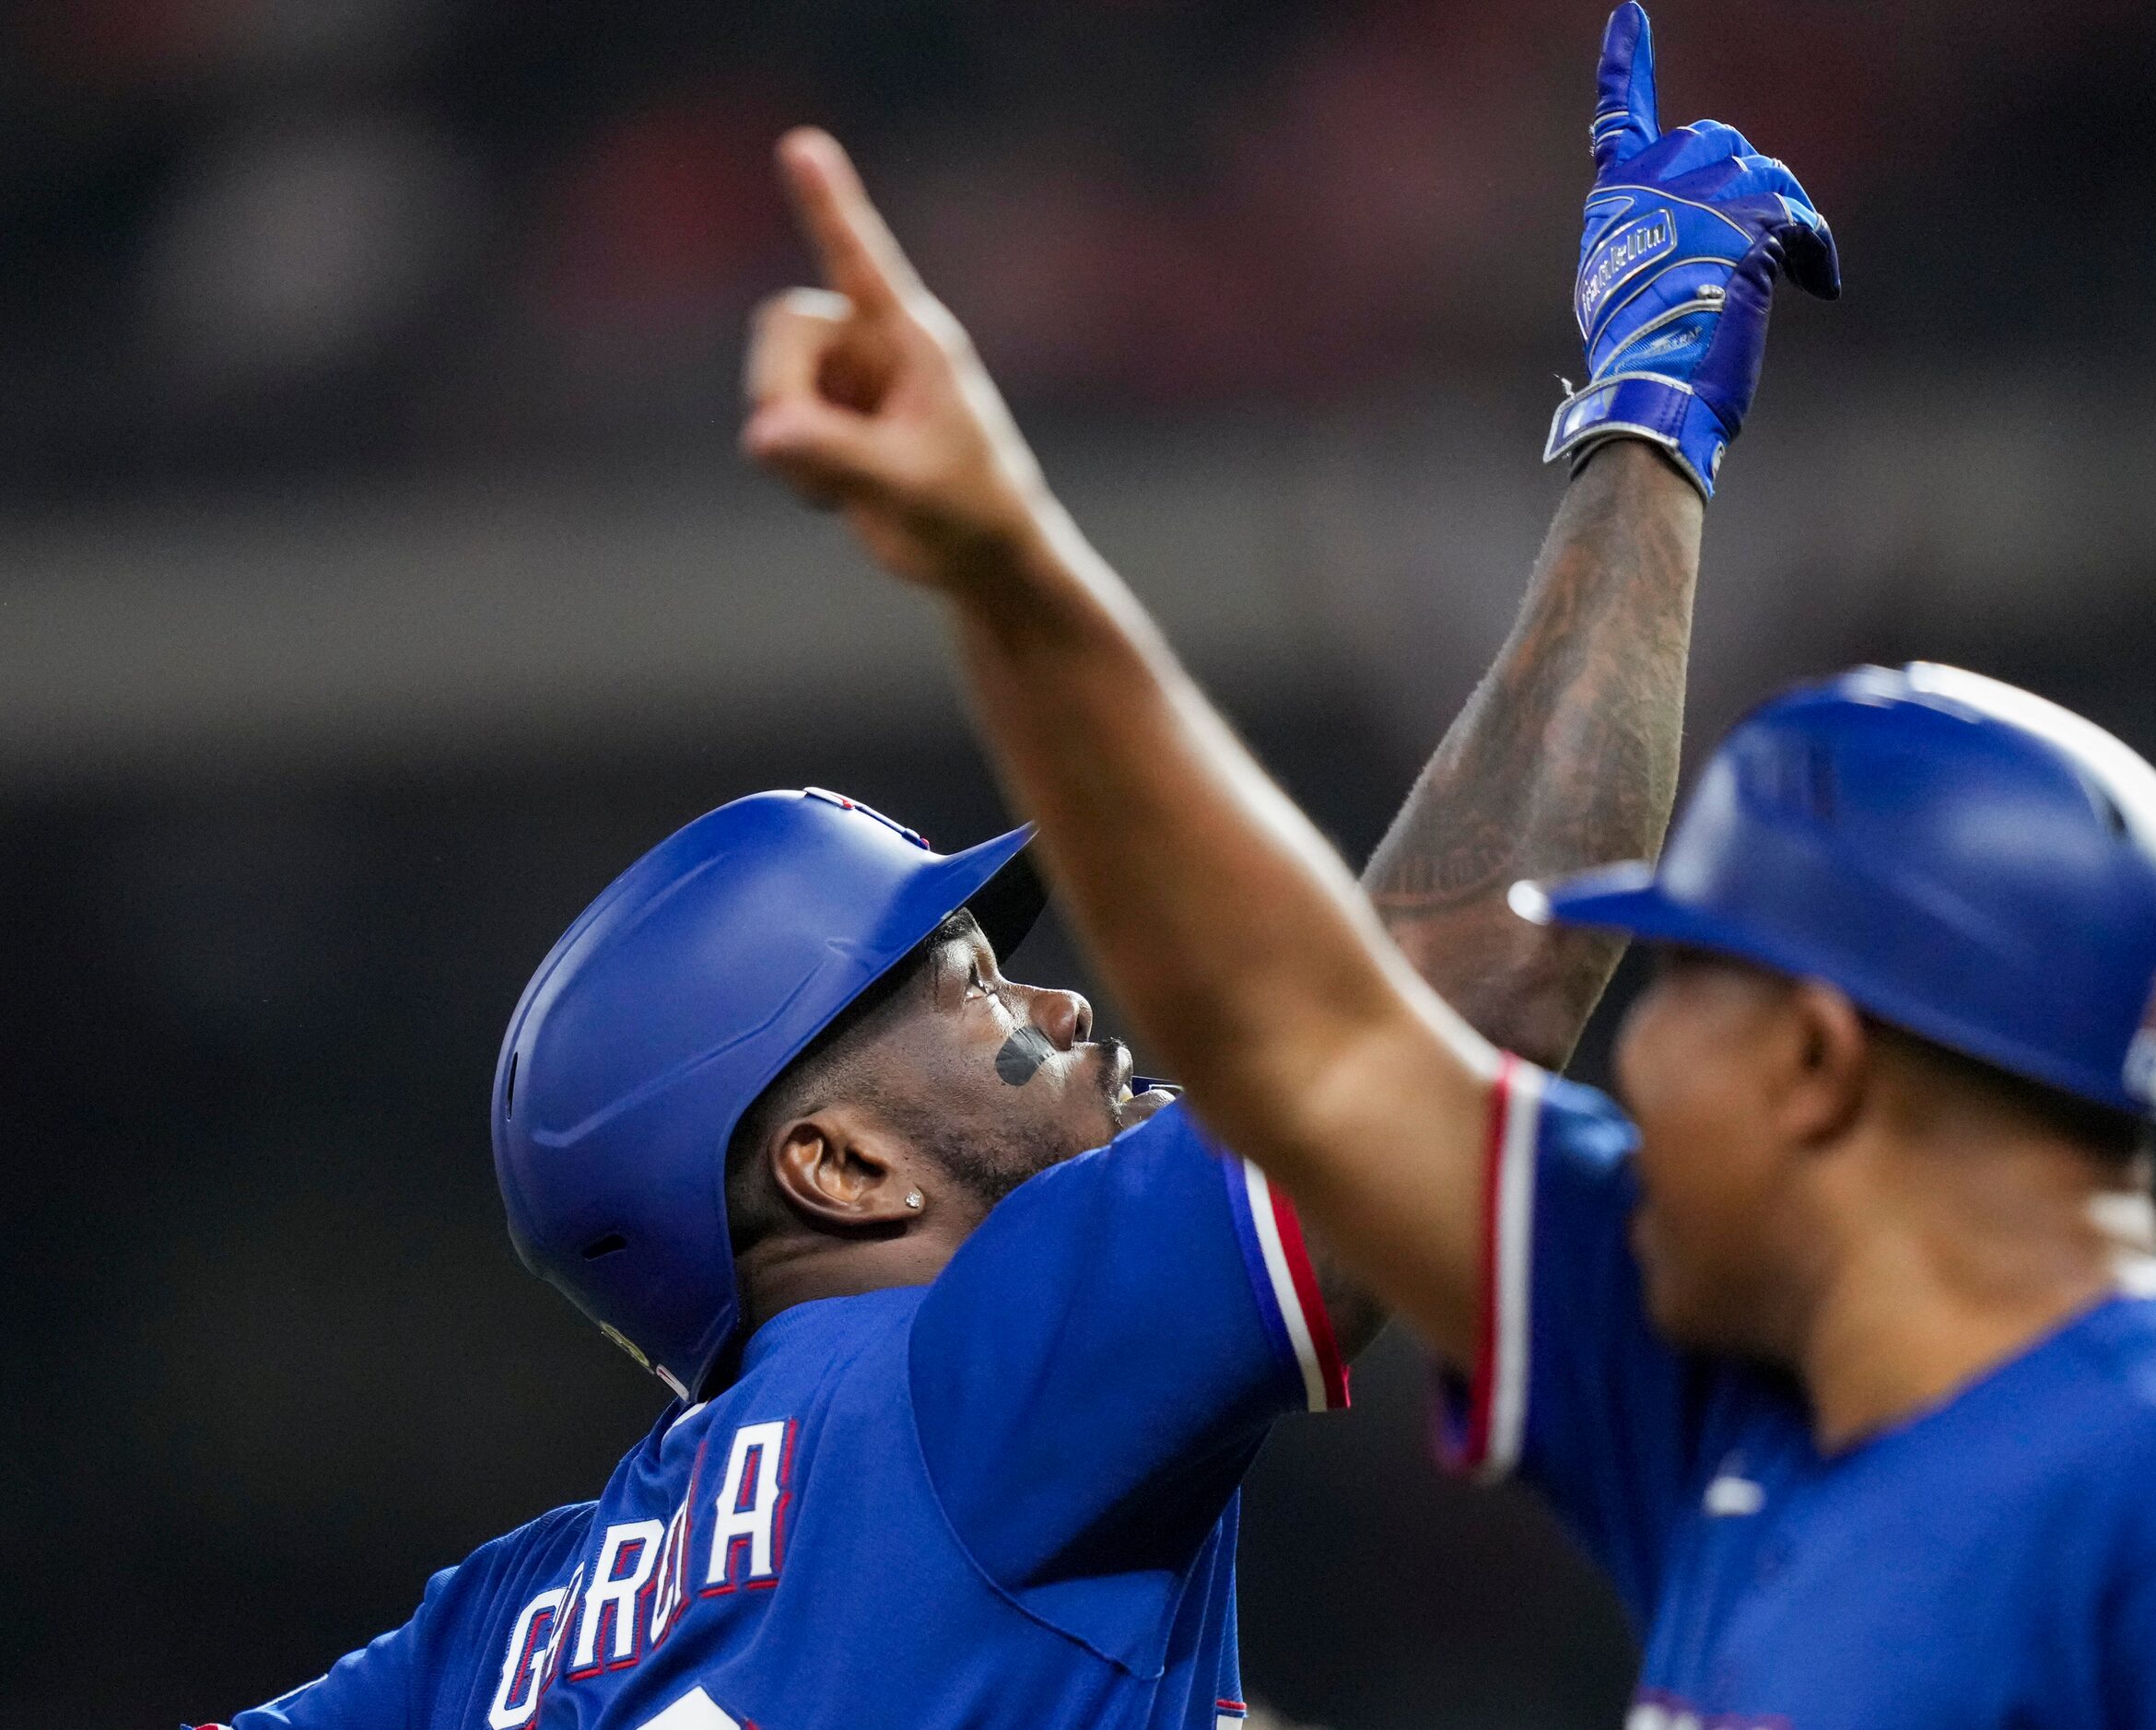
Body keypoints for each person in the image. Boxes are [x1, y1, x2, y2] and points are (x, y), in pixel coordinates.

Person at [738, 1, 2156, 1724]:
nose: (1625, 1061)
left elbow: (1378, 1023)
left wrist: (1008, 566)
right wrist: (1004, 568)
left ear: (1820, 1063)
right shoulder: (1719, 1395)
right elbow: (1310, 1034)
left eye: (1679, 994)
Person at [199, 10, 1838, 1727]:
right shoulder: (964, 1377)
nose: (1063, 996)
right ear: (835, 1165)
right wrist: (1646, 415)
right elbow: (1445, 1010)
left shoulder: (490, 1638)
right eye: (967, 986)